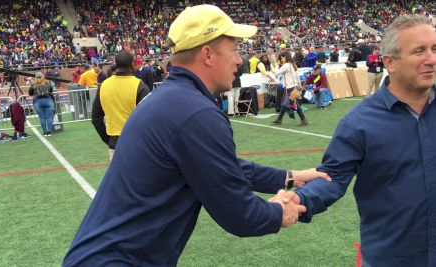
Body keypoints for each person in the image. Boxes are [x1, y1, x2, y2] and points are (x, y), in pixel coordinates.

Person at [63, 5, 330, 266]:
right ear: (207, 54)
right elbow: (240, 214)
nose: (239, 60)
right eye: (234, 50)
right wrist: (280, 212)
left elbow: (221, 167)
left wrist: (289, 177)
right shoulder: (195, 112)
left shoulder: (173, 99)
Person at [294, 14, 436, 266]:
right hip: (392, 257)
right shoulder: (359, 122)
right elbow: (332, 178)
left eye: (435, 49)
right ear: (389, 62)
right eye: (419, 51)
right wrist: (300, 200)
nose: (431, 59)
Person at [91, 50, 150, 161]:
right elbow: (149, 119)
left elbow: (96, 118)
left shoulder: (104, 85)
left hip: (115, 142)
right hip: (137, 143)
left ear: (115, 64)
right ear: (133, 64)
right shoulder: (140, 85)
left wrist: (108, 140)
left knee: (119, 178)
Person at [273, 51, 309, 126]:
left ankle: (303, 119)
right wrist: (299, 85)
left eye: (281, 58)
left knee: (293, 104)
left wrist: (276, 64)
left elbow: (276, 73)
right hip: (293, 86)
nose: (281, 59)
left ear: (285, 57)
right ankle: (279, 119)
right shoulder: (293, 64)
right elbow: (297, 76)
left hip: (290, 87)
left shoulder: (286, 65)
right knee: (285, 103)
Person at [28, 72, 54, 136]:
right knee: (49, 117)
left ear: (35, 77)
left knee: (42, 117)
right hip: (48, 100)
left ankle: (45, 132)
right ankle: (49, 132)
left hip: (37, 102)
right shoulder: (47, 82)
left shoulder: (33, 84)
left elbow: (30, 93)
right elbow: (51, 90)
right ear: (42, 76)